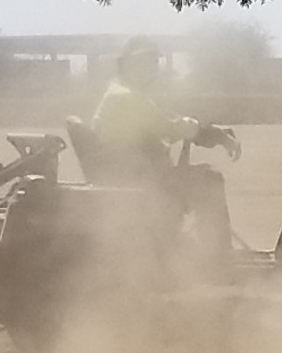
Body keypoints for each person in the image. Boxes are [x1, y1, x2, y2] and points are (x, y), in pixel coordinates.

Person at [91, 36, 242, 263]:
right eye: (143, 63)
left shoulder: (122, 94)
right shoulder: (126, 98)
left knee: (198, 178)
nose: (150, 69)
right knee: (210, 180)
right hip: (140, 182)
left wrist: (204, 130)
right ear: (126, 65)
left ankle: (197, 248)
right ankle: (219, 258)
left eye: (153, 63)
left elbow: (166, 120)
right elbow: (173, 127)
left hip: (135, 175)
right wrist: (216, 135)